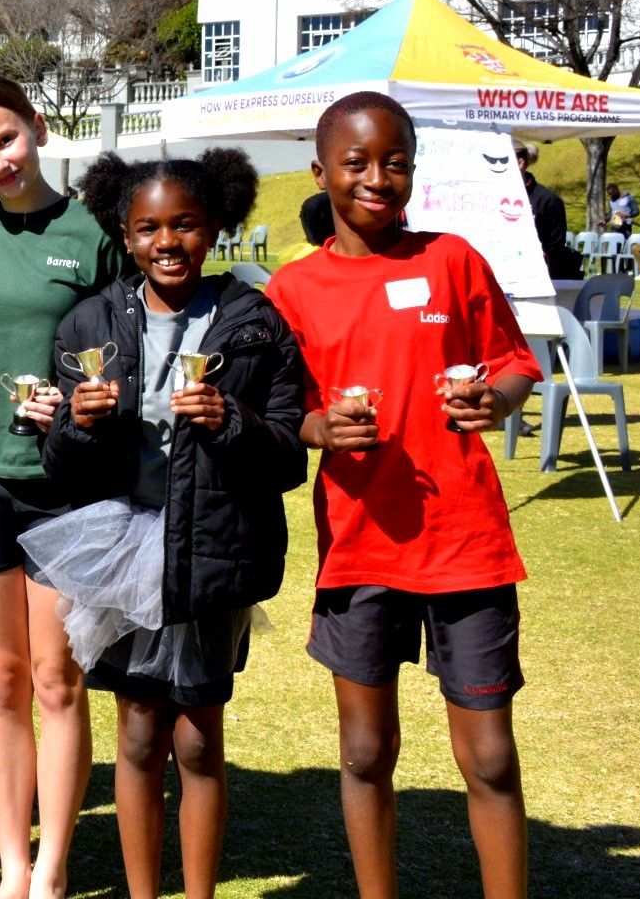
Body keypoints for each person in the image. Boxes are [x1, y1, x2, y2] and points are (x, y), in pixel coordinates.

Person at [267, 91, 540, 899]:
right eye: (356, 163)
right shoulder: (294, 289)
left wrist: (497, 399)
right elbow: (284, 412)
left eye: (396, 162)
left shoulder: (453, 260)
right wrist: (319, 427)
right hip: (361, 545)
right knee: (364, 753)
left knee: (489, 758)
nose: (377, 179)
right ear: (320, 172)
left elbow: (514, 363)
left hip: (465, 540)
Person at [28, 149, 305, 899]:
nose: (167, 242)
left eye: (185, 224)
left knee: (198, 739)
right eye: (148, 228)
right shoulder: (90, 321)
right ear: (124, 235)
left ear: (214, 227)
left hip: (211, 544)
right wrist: (80, 422)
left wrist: (230, 419)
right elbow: (61, 466)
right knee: (140, 731)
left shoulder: (254, 324)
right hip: (122, 549)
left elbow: (288, 457)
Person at [0, 76, 127, 899]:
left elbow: (128, 350)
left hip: (66, 483)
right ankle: (12, 866)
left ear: (38, 128)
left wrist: (79, 396)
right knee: (2, 679)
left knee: (57, 678)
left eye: (5, 140)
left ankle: (51, 869)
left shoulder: (94, 234)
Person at [513, 142, 580, 280]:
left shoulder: (549, 200)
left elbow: (555, 248)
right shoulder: (494, 197)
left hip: (537, 277)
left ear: (520, 163)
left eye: (503, 161)